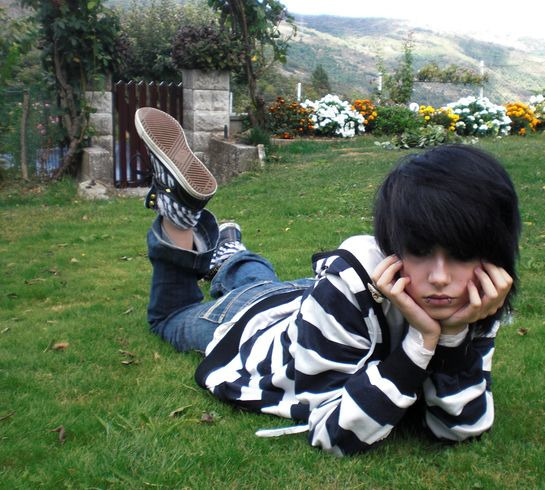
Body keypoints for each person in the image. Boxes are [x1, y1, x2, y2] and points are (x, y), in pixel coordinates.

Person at [137, 107, 521, 456]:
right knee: (171, 317)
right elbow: (334, 434)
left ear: (492, 254)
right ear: (395, 246)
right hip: (255, 322)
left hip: (308, 301)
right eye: (420, 252)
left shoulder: (473, 294)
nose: (439, 278)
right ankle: (180, 217)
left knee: (261, 282)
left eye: (461, 254)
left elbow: (459, 427)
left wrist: (451, 335)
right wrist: (420, 343)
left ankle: (231, 252)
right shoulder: (353, 282)